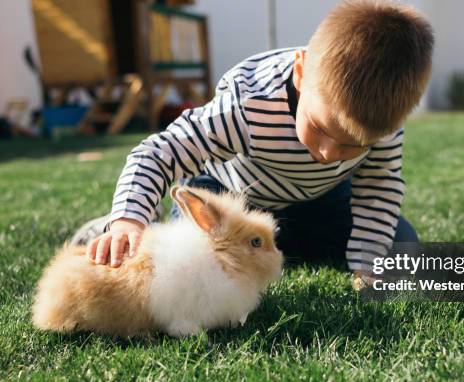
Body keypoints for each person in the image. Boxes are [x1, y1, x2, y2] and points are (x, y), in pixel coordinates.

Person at [76, 0, 434, 283]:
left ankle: (290, 244)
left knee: (401, 244)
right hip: (232, 204)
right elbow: (159, 153)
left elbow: (377, 189)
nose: (328, 154)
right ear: (300, 72)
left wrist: (367, 264)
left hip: (320, 201)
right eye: (321, 129)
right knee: (187, 264)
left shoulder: (381, 122)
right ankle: (127, 225)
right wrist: (128, 219)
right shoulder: (249, 103)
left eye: (351, 147)